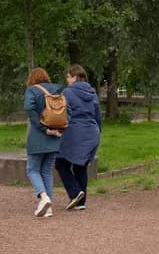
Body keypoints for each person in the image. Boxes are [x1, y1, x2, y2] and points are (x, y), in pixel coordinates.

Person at [56, 64, 101, 211]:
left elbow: (62, 114)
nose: (67, 80)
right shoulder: (93, 93)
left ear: (74, 77)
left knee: (60, 163)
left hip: (74, 132)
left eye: (68, 77)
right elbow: (98, 115)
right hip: (92, 132)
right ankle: (81, 202)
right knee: (80, 166)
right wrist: (98, 132)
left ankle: (75, 192)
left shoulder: (67, 93)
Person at [23, 68, 64, 218]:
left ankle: (44, 197)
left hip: (37, 136)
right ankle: (49, 208)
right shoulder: (58, 89)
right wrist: (60, 129)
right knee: (46, 170)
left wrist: (41, 126)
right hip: (55, 136)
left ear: (31, 79)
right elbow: (68, 111)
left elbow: (28, 107)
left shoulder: (32, 90)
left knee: (32, 169)